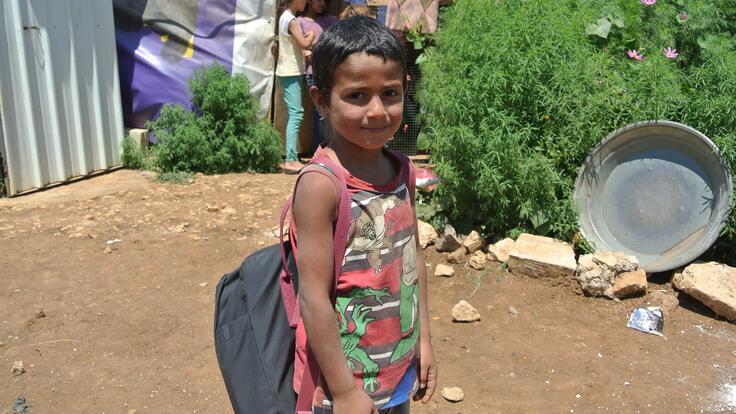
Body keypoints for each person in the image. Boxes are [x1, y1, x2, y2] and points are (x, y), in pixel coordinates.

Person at [292, 16, 437, 414]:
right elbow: (314, 297)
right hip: (341, 387)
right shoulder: (323, 185)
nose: (377, 111)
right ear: (321, 100)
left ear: (405, 90)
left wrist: (422, 341)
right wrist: (343, 392)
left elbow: (414, 262)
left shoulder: (403, 170)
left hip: (399, 373)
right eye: (357, 96)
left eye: (389, 93)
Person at [276, 0, 315, 174]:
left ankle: (292, 157)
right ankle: (291, 160)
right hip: (290, 72)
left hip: (288, 71)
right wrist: (312, 35)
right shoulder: (291, 20)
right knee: (296, 114)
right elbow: (304, 43)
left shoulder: (285, 17)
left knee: (294, 113)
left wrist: (302, 53)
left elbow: (293, 46)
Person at [297, 0, 338, 152]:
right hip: (313, 73)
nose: (323, 3)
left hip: (331, 73)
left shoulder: (330, 20)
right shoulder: (299, 22)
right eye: (319, 0)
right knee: (320, 113)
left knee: (333, 111)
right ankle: (320, 150)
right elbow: (298, 48)